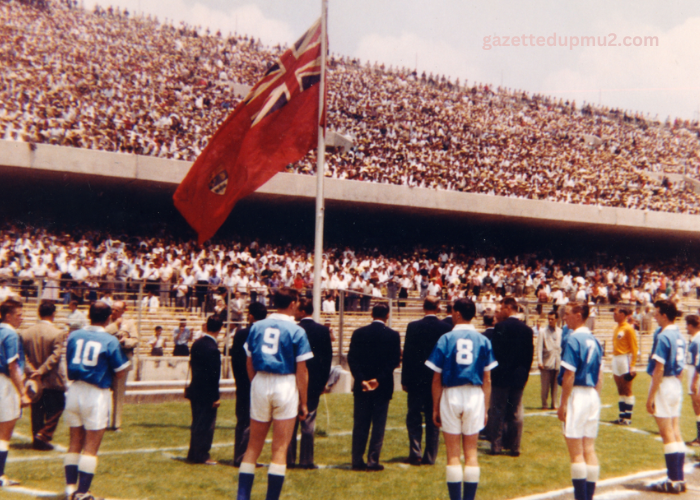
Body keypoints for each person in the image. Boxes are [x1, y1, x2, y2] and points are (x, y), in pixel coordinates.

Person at [236, 287, 313, 500]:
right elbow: (302, 370)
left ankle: (242, 497)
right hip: (285, 383)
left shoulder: (257, 326)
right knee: (279, 449)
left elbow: (249, 362)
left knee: (252, 447)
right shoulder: (297, 330)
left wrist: (257, 384)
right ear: (292, 303)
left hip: (261, 381)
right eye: (297, 302)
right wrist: (304, 402)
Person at [426, 298, 497, 500]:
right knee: (471, 454)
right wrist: (485, 408)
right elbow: (488, 379)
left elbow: (436, 378)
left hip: (451, 393)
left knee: (453, 455)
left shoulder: (445, 339)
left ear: (456, 313)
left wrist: (435, 407)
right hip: (475, 394)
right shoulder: (483, 340)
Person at [63, 301, 130, 500]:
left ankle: (69, 489)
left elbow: (69, 360)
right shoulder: (109, 340)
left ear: (89, 315)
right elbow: (120, 372)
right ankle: (82, 492)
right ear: (109, 318)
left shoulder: (74, 335)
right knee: (91, 447)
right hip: (95, 393)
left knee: (74, 442)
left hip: (74, 389)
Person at [347, 303, 401, 471]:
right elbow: (394, 361)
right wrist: (378, 379)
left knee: (360, 424)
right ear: (387, 315)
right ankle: (373, 460)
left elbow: (352, 359)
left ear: (371, 314)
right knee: (378, 424)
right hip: (382, 386)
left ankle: (357, 460)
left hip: (362, 387)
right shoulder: (393, 335)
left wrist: (361, 379)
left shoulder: (358, 333)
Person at [557, 302, 603, 500]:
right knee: (589, 449)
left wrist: (563, 403)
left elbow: (569, 375)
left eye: (567, 314)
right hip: (592, 394)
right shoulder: (595, 340)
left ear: (578, 315)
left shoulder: (573, 340)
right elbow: (600, 376)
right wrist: (596, 398)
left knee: (576, 453)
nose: (564, 318)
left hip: (577, 394)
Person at [401, 295, 451, 466]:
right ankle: (430, 455)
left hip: (415, 379)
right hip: (436, 380)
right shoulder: (445, 328)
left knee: (414, 416)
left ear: (423, 307)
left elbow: (407, 355)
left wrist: (405, 379)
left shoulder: (413, 326)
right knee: (434, 416)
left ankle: (415, 452)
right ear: (438, 307)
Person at [646, 299, 687, 494]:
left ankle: (672, 479)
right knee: (675, 429)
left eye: (656, 312)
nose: (654, 315)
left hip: (664, 383)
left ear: (664, 315)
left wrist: (651, 396)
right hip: (675, 383)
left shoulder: (664, 336)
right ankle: (680, 478)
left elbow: (658, 368)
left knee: (667, 433)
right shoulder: (679, 335)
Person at [286, 297, 332, 469]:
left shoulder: (293, 329)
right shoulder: (322, 331)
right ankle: (306, 460)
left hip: (293, 380)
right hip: (313, 383)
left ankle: (289, 459)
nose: (295, 312)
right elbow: (327, 359)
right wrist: (322, 382)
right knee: (308, 422)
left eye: (297, 310)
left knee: (290, 420)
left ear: (303, 311)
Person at [486, 297, 533, 456]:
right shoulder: (527, 330)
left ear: (507, 308)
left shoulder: (500, 327)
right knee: (515, 412)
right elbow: (529, 357)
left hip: (501, 377)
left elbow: (495, 353)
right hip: (518, 377)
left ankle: (497, 445)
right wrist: (523, 375)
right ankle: (514, 446)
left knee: (498, 411)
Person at [20, 300, 67, 450]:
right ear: (53, 314)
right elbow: (55, 356)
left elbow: (23, 355)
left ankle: (37, 438)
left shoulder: (26, 332)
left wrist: (32, 370)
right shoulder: (58, 333)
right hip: (52, 378)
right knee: (58, 406)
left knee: (37, 409)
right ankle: (44, 435)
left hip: (33, 379)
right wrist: (41, 370)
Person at [231, 301, 268, 467]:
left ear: (251, 315)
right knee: (255, 421)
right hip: (260, 381)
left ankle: (241, 456)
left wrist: (240, 380)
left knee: (244, 421)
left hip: (245, 383)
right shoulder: (266, 332)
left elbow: (236, 361)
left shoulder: (242, 334)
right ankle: (245, 457)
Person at [0, 299, 31, 487]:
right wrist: (23, 393)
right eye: (19, 314)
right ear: (9, 316)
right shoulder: (11, 334)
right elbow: (13, 365)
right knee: (4, 433)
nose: (22, 318)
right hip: (5, 384)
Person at [185, 315, 223, 465]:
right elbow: (214, 376)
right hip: (206, 393)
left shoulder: (197, 344)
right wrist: (216, 396)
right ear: (220, 329)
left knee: (196, 423)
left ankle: (193, 453)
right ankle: (202, 454)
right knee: (206, 425)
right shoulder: (213, 349)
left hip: (195, 389)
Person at [105, 301, 138, 431]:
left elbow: (135, 340)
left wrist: (126, 342)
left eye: (116, 310)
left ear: (123, 311)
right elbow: (103, 333)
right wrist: (115, 325)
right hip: (106, 362)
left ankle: (116, 424)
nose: (113, 312)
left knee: (118, 394)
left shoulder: (129, 323)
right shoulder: (106, 322)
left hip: (121, 361)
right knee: (103, 392)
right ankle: (103, 422)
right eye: (112, 309)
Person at [611, 307, 638, 425]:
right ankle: (621, 416)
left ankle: (628, 418)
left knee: (627, 389)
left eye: (616, 313)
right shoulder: (616, 328)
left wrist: (632, 365)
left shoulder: (628, 329)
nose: (614, 315)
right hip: (616, 358)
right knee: (620, 389)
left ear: (622, 314)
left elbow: (634, 348)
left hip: (624, 358)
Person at [536, 311, 562, 410]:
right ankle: (545, 404)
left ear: (556, 319)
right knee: (545, 386)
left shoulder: (560, 331)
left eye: (552, 319)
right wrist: (540, 361)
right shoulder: (543, 331)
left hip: (557, 361)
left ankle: (554, 404)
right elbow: (539, 347)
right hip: (546, 361)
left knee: (555, 386)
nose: (550, 321)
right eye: (549, 319)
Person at [686, 315, 700, 446]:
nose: (685, 327)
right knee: (696, 406)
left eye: (687, 324)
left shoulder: (698, 340)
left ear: (691, 325)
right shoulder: (693, 339)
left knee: (698, 404)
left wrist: (695, 380)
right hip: (692, 370)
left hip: (696, 372)